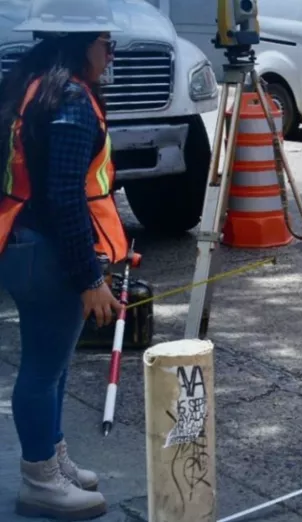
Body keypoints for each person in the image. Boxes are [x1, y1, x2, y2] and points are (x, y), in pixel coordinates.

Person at [0, 0, 130, 518]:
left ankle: (52, 461)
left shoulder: (29, 85)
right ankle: (41, 479)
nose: (111, 53)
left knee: (50, 368)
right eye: (107, 43)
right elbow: (65, 198)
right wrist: (88, 277)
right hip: (48, 254)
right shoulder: (71, 102)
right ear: (81, 44)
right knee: (41, 369)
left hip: (25, 243)